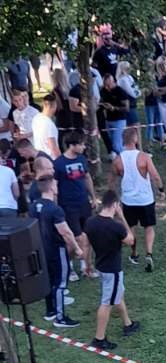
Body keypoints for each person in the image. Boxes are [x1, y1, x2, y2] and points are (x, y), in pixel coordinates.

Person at [84, 190, 140, 350]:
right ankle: (99, 338)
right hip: (113, 270)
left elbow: (86, 245)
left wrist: (88, 264)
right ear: (115, 205)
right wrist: (122, 217)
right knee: (107, 303)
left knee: (118, 294)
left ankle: (128, 324)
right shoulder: (116, 227)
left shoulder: (90, 222)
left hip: (101, 266)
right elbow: (131, 240)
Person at [31, 173, 83, 326]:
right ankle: (60, 318)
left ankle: (50, 311)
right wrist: (77, 248)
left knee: (48, 280)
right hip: (56, 250)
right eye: (55, 184)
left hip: (41, 249)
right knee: (60, 283)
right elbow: (65, 232)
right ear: (52, 188)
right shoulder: (55, 209)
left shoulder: (33, 207)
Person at [113, 126, 165, 272]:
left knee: (131, 227)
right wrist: (161, 190)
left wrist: (113, 196)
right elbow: (155, 176)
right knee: (149, 227)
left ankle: (134, 253)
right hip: (145, 199)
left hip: (128, 200)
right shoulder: (144, 157)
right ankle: (149, 253)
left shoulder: (118, 159)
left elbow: (113, 178)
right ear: (135, 139)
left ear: (123, 140)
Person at [54, 132, 96, 277]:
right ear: (72, 145)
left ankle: (86, 266)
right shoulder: (58, 163)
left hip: (83, 203)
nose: (84, 147)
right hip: (68, 206)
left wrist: (93, 197)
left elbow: (87, 178)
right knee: (76, 238)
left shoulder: (82, 159)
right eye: (81, 144)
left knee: (87, 236)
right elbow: (55, 187)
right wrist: (55, 207)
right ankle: (69, 266)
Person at [32, 94, 60, 159]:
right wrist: (61, 160)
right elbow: (53, 148)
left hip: (39, 156)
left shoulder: (36, 118)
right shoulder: (49, 124)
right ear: (54, 106)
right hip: (50, 158)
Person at [116, 61, 141, 132]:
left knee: (136, 124)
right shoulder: (122, 80)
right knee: (134, 125)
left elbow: (135, 88)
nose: (129, 70)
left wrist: (138, 92)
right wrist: (137, 93)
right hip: (128, 104)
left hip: (133, 103)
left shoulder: (129, 77)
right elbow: (131, 92)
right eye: (127, 68)